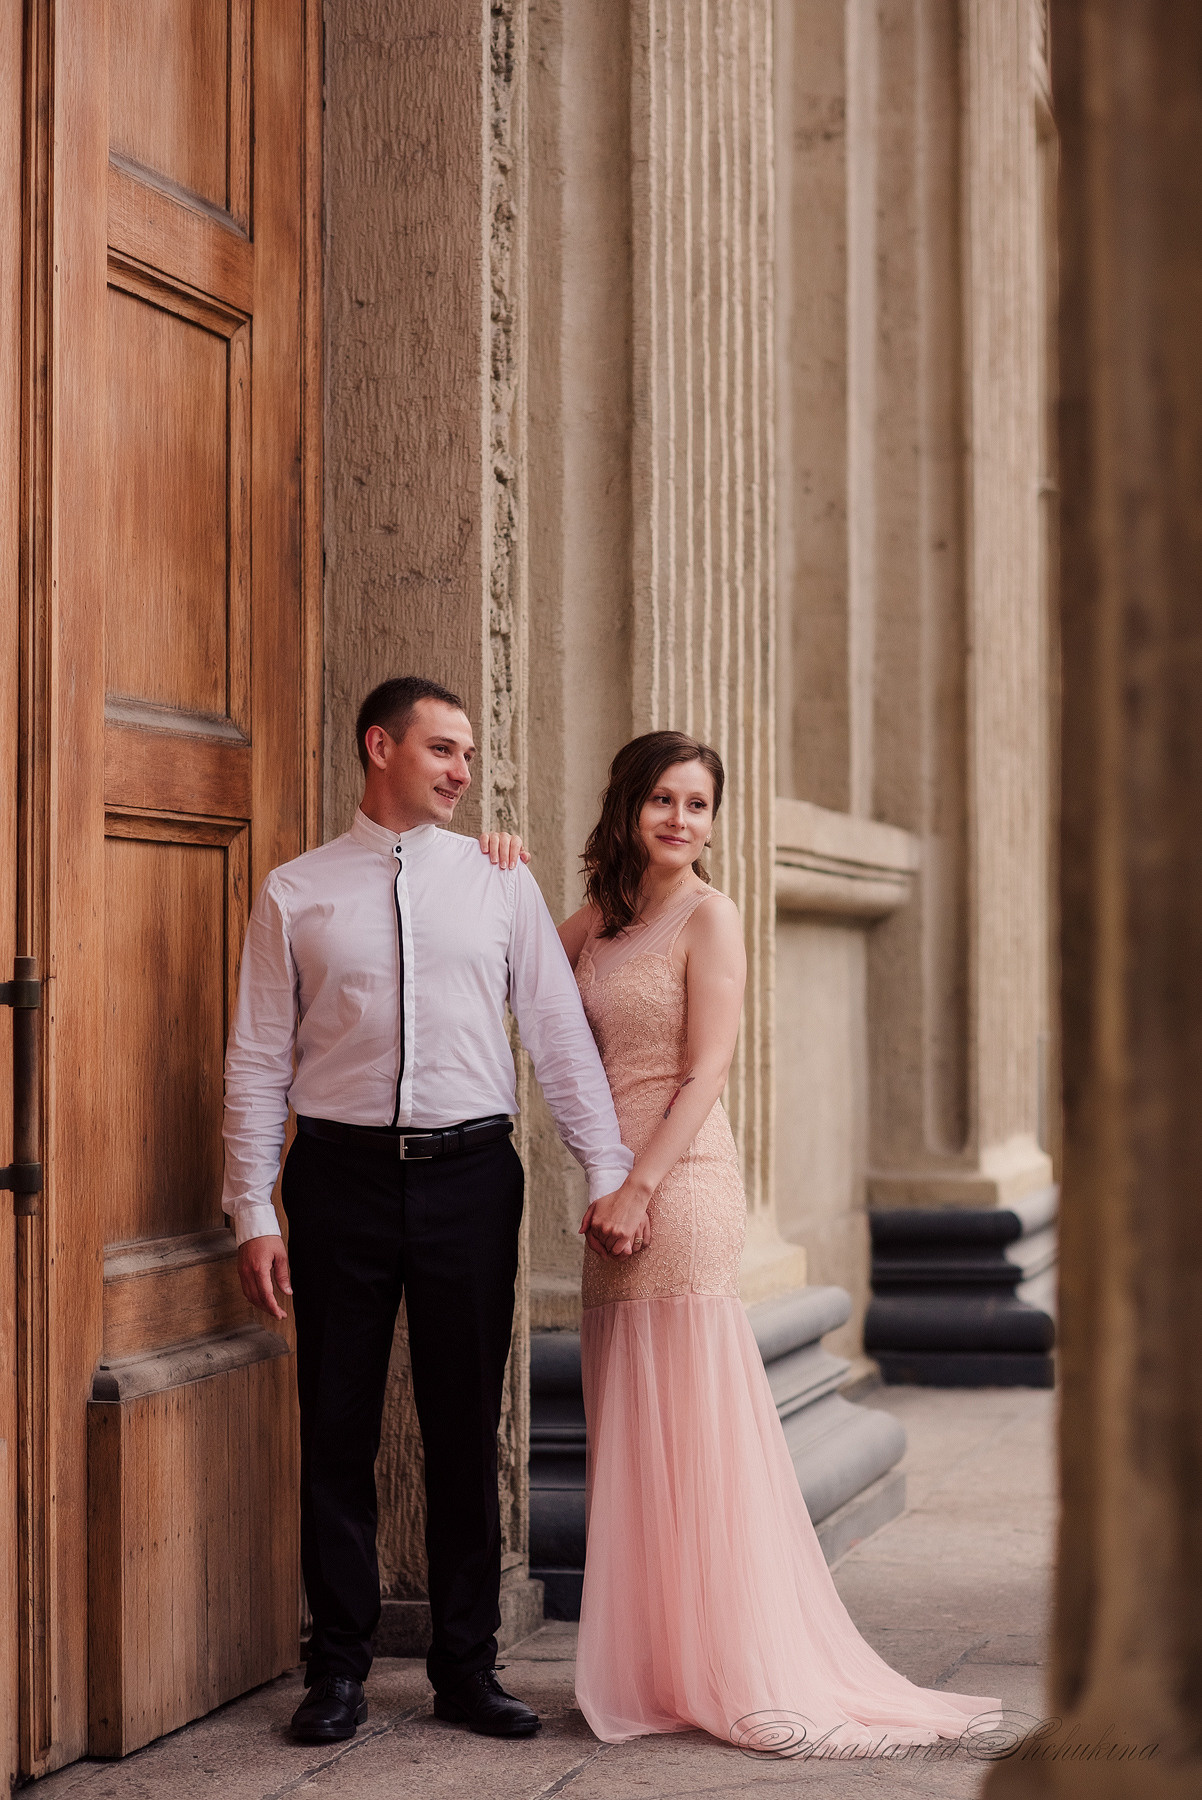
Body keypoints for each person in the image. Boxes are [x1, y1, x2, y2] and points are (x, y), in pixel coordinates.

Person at [555, 730, 1002, 1757]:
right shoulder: (606, 920)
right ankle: (663, 1663)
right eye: (661, 800)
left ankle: (737, 1661)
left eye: (698, 805)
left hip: (676, 1186)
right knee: (635, 1425)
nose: (678, 821)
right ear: (626, 807)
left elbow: (704, 1073)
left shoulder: (707, 917)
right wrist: (489, 861)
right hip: (607, 1195)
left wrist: (638, 1186)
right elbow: (521, 966)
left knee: (694, 1428)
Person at [222, 675, 638, 1746]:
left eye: (466, 754)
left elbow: (553, 1032)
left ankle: (465, 1668)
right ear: (379, 747)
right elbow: (258, 1059)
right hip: (338, 1181)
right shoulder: (294, 892)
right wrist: (251, 1209)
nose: (462, 770)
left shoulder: (496, 882)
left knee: (464, 1426)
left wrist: (606, 1168)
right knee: (337, 1426)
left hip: (467, 1180)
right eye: (441, 749)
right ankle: (339, 1671)